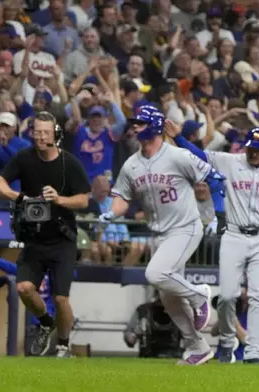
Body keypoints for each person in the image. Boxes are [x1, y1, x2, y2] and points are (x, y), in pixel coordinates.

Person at [98, 105, 227, 366]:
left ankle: (199, 295)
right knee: (168, 298)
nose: (134, 127)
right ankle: (197, 347)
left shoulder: (178, 156)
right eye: (134, 123)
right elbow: (121, 198)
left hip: (186, 227)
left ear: (155, 126)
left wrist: (219, 214)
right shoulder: (131, 164)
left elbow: (215, 179)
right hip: (159, 234)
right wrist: (112, 213)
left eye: (141, 123)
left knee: (154, 274)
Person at [172, 126, 259, 363]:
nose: (253, 153)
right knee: (228, 296)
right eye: (251, 148)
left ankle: (252, 351)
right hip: (234, 234)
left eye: (258, 150)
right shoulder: (231, 161)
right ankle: (228, 340)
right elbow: (198, 155)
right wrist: (177, 137)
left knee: (258, 296)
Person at [0, 111, 91, 358]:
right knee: (24, 288)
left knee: (61, 299)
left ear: (55, 134)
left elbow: (84, 200)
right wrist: (21, 197)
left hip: (62, 240)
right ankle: (45, 322)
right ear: (31, 132)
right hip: (33, 239)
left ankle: (64, 345)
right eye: (37, 132)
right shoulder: (24, 158)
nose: (41, 137)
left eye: (46, 132)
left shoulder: (69, 163)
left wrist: (59, 199)